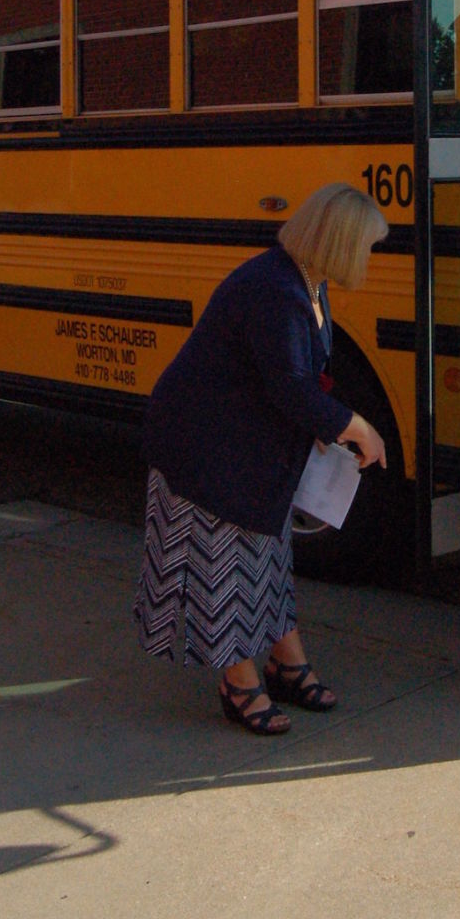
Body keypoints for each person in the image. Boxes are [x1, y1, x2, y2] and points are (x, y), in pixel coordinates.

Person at [133, 183, 388, 737]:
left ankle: (285, 662)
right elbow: (292, 386)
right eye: (367, 246)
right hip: (205, 448)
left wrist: (322, 424)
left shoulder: (304, 283)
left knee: (266, 558)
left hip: (243, 445)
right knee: (222, 566)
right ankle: (239, 681)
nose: (370, 257)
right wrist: (356, 426)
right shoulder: (278, 291)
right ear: (339, 242)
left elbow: (291, 380)